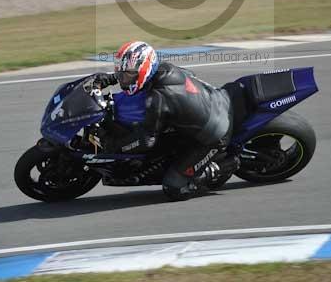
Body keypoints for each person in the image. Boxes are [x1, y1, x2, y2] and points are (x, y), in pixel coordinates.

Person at [91, 41, 240, 201]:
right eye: (120, 72)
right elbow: (189, 74)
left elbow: (145, 141)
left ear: (144, 71)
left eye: (127, 74)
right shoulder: (164, 69)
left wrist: (112, 145)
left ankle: (220, 167)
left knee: (174, 188)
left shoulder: (157, 100)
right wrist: (110, 79)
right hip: (216, 101)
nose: (123, 78)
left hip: (215, 135)